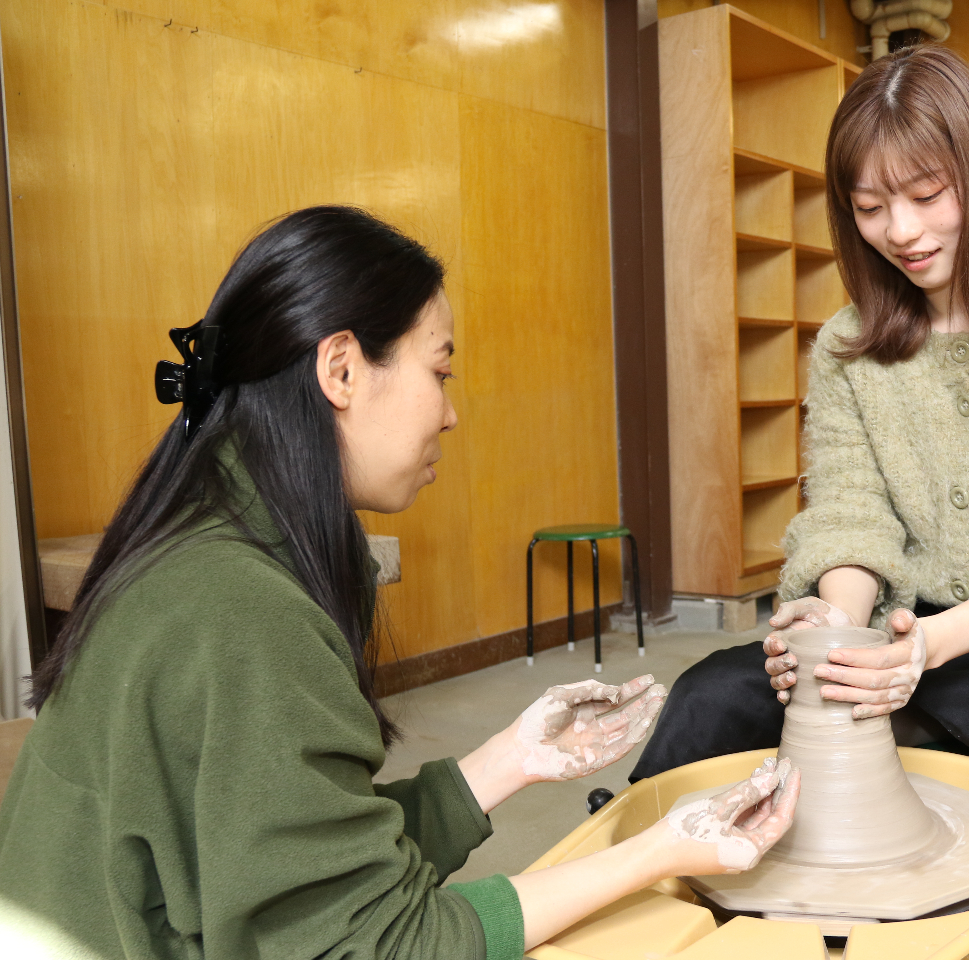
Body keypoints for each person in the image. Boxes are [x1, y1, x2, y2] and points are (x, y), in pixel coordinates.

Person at [0, 206, 800, 960]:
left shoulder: (221, 530)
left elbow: (305, 863)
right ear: (342, 369)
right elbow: (381, 943)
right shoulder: (244, 612)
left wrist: (512, 758)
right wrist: (661, 849)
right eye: (440, 371)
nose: (450, 414)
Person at [629, 45, 969, 960]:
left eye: (927, 194)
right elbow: (851, 516)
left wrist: (930, 647)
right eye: (871, 206)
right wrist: (834, 632)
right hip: (898, 634)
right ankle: (664, 923)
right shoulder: (849, 344)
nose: (903, 231)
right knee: (713, 695)